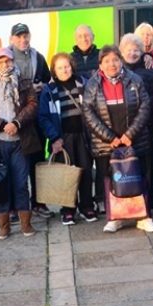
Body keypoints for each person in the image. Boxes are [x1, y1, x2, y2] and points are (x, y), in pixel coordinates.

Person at [82, 46, 153, 233]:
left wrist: (129, 135)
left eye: (115, 60)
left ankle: (144, 216)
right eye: (107, 61)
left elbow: (145, 107)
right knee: (111, 181)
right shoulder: (93, 84)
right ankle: (115, 217)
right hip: (107, 143)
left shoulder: (135, 80)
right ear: (100, 64)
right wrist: (111, 138)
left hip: (135, 139)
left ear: (121, 61)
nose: (112, 64)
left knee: (139, 177)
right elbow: (88, 113)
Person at [0, 47, 42, 239]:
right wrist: (1, 125)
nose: (6, 64)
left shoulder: (24, 81)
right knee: (2, 185)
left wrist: (17, 123)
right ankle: (4, 226)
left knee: (21, 183)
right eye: (1, 61)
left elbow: (32, 105)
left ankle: (26, 224)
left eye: (8, 61)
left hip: (21, 141)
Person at [39, 53, 96, 225]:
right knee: (67, 174)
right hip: (63, 138)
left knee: (85, 172)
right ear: (54, 71)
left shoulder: (83, 84)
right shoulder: (49, 91)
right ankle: (68, 209)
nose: (65, 70)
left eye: (67, 66)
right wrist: (55, 138)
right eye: (60, 67)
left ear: (72, 66)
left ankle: (87, 206)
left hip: (83, 136)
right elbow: (43, 117)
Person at [120, 33, 153, 211]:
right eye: (129, 50)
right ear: (121, 51)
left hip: (147, 126)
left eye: (136, 50)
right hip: (123, 128)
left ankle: (150, 199)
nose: (132, 53)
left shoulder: (150, 71)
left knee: (149, 165)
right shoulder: (117, 71)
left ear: (142, 52)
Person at [9, 23, 53, 219]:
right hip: (15, 119)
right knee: (17, 165)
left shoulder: (38, 57)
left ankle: (38, 203)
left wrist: (41, 86)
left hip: (35, 119)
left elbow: (48, 80)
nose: (23, 40)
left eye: (25, 36)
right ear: (11, 39)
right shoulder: (5, 58)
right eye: (18, 37)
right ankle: (16, 206)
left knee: (38, 162)